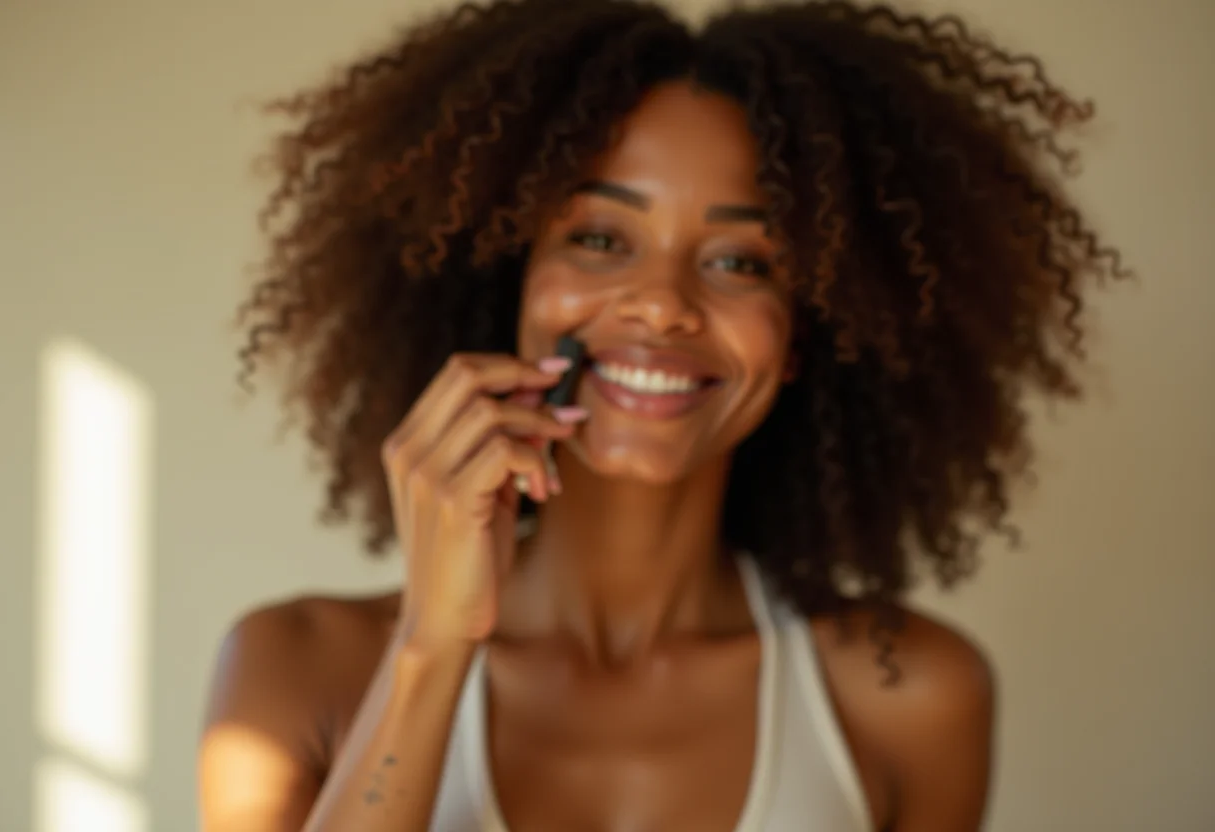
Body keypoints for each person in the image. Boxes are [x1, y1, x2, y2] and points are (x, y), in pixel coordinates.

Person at [198, 1, 1126, 830]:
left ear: (806, 331)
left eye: (741, 261)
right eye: (601, 239)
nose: (662, 304)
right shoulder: (295, 670)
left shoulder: (909, 696)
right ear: (507, 286)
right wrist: (432, 648)